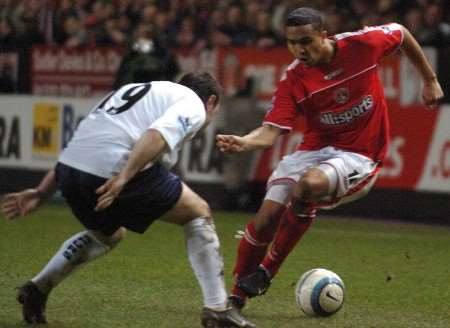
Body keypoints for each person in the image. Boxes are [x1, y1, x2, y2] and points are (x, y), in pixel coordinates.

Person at [216, 7, 444, 310]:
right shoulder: (294, 78)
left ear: (324, 35)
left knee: (307, 186)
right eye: (292, 43)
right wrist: (244, 142)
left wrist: (429, 79)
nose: (300, 49)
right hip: (313, 150)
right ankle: (236, 296)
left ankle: (268, 270)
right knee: (266, 216)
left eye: (306, 41)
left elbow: (401, 33)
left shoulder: (362, 45)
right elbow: (271, 132)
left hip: (360, 156)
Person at [0, 72, 255, 328]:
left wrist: (42, 191)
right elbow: (156, 135)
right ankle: (217, 307)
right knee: (198, 211)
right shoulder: (193, 104)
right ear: (211, 101)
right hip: (114, 168)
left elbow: (86, 142)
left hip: (69, 168)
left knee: (107, 234)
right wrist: (124, 177)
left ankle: (37, 288)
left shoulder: (137, 91)